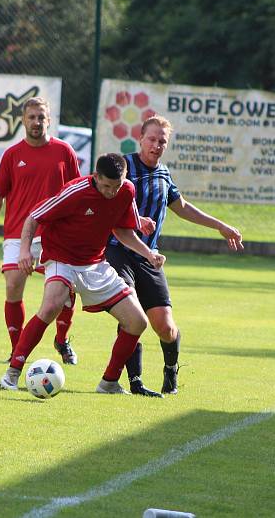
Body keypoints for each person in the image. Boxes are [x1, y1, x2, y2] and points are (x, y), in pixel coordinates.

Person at [0, 153, 166, 394]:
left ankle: (108, 382)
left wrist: (149, 254)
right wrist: (24, 251)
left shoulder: (126, 191)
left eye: (116, 186)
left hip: (95, 264)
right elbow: (33, 217)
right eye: (106, 186)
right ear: (95, 176)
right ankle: (12, 374)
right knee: (51, 306)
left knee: (137, 321)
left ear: (125, 178)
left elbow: (122, 230)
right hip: (61, 258)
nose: (111, 192)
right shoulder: (74, 192)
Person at [106, 115, 244, 397]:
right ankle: (135, 382)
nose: (156, 145)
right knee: (131, 315)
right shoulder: (124, 167)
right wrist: (135, 218)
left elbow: (182, 206)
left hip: (150, 258)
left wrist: (220, 225)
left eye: (162, 141)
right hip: (119, 250)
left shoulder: (163, 173)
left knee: (165, 327)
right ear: (141, 138)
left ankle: (170, 372)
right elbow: (105, 201)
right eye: (152, 139)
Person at [0, 97, 82, 365]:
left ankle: (62, 340)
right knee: (13, 285)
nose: (36, 122)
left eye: (41, 117)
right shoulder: (12, 155)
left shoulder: (64, 152)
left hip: (55, 234)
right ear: (23, 120)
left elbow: (75, 193)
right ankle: (17, 349)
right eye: (32, 117)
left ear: (49, 120)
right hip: (17, 233)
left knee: (65, 295)